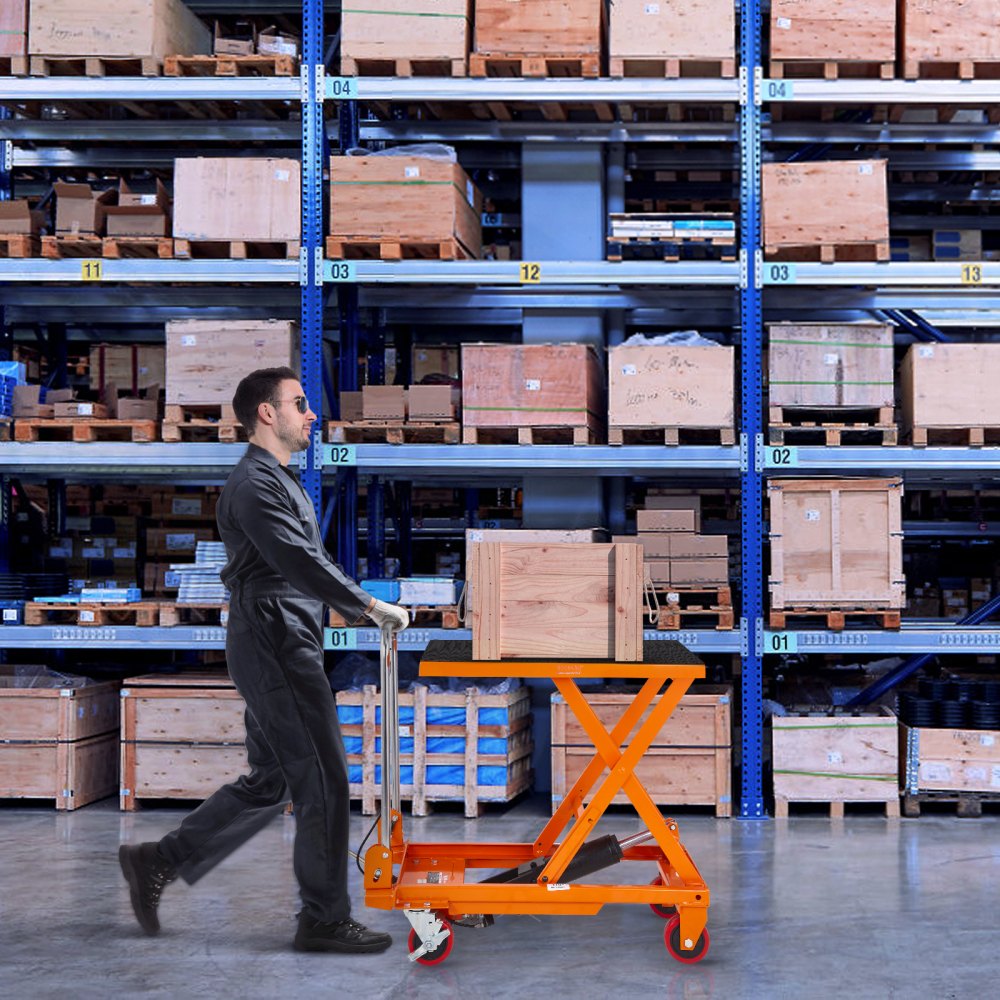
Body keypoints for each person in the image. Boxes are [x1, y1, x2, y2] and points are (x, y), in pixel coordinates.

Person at [118, 367, 410, 954]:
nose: (312, 414)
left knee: (273, 778)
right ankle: (323, 919)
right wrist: (366, 606)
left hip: (281, 630)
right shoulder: (253, 484)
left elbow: (303, 560)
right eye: (300, 403)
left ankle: (159, 859)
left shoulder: (279, 479)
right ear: (267, 413)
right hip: (273, 634)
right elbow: (297, 558)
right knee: (323, 777)